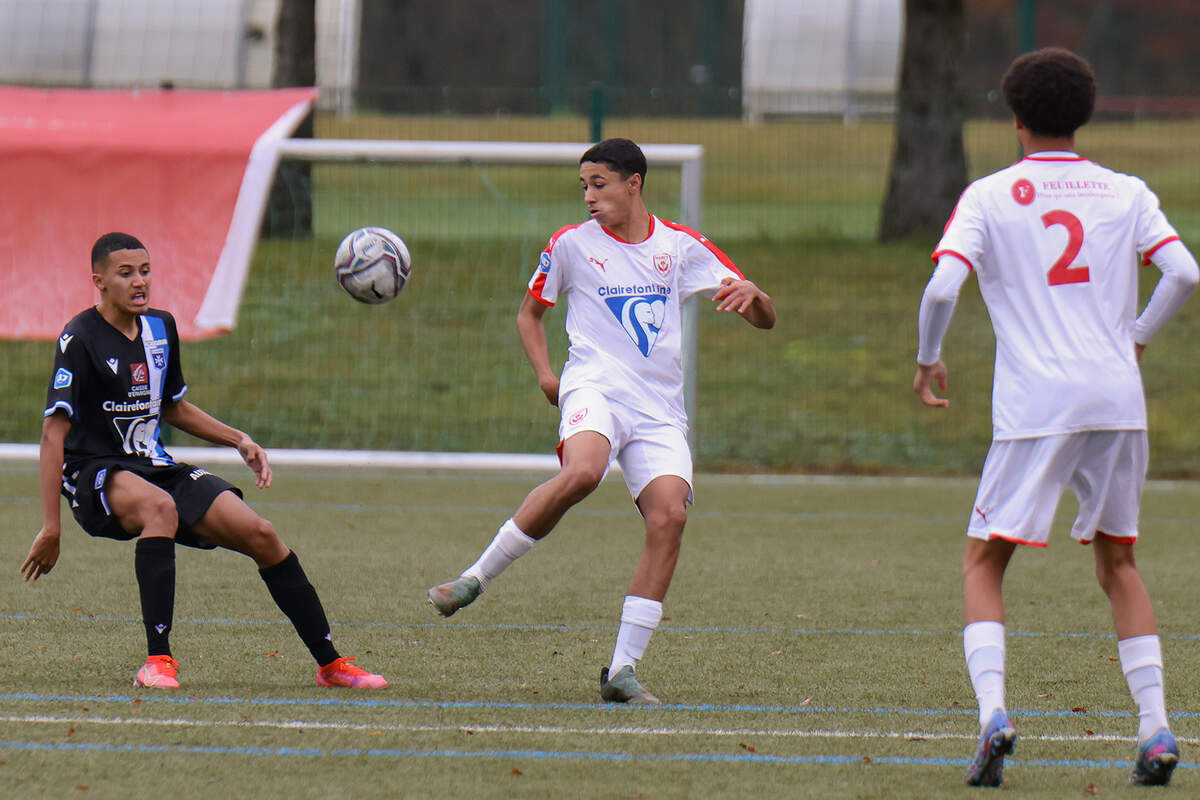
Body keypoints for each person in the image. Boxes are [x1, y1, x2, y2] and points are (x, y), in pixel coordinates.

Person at [914, 49, 1197, 787]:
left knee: (984, 559)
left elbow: (944, 287)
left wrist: (928, 358)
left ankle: (995, 717)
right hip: (1116, 400)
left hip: (1037, 404)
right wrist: (1134, 337)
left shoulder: (988, 195)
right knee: (1119, 563)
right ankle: (1158, 728)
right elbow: (1184, 273)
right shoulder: (1125, 191)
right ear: (1087, 112)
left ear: (1014, 117)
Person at [426, 138, 775, 704]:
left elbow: (763, 317)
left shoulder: (681, 247)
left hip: (659, 411)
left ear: (633, 184)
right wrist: (546, 376)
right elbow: (529, 315)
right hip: (593, 388)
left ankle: (621, 672)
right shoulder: (570, 246)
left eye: (600, 184)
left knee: (669, 518)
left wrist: (755, 296)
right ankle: (474, 579)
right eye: (583, 186)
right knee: (584, 471)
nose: (589, 196)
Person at [21, 232, 387, 691]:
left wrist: (238, 439)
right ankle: (158, 661)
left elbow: (170, 406)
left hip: (153, 464)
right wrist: (51, 527)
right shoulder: (79, 338)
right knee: (160, 508)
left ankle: (331, 665)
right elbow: (52, 433)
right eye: (126, 273)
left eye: (145, 271)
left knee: (262, 534)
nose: (140, 282)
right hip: (93, 472)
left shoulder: (161, 327)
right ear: (98, 281)